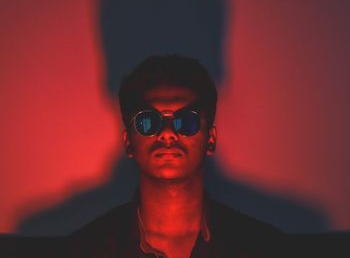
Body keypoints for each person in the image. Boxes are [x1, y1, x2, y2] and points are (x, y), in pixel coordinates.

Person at [69, 55, 281, 258]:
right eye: (149, 121)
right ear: (129, 142)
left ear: (211, 139)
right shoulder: (84, 250)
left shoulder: (263, 248)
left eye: (186, 121)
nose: (168, 133)